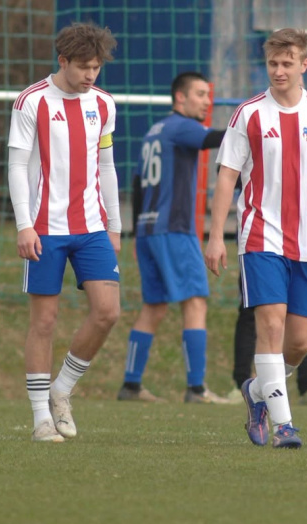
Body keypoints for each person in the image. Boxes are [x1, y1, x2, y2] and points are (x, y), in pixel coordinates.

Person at [205, 28, 307, 449]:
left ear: (304, 65)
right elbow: (226, 178)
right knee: (270, 325)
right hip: (260, 237)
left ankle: (256, 392)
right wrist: (216, 236)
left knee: (301, 341)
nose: (279, 70)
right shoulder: (248, 114)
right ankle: (285, 426)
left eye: (288, 63)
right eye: (273, 63)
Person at [7, 22, 122, 443]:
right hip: (45, 228)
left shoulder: (104, 104)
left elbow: (106, 166)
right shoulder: (31, 102)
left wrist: (114, 225)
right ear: (63, 61)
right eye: (84, 67)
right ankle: (40, 419)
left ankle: (61, 391)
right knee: (45, 321)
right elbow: (17, 166)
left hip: (92, 227)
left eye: (96, 67)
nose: (91, 75)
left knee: (108, 311)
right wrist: (23, 224)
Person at [118, 72, 230, 404]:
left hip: (148, 231)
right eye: (199, 94)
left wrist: (138, 234)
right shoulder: (182, 126)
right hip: (175, 229)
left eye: (207, 95)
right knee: (195, 301)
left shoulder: (154, 131)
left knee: (153, 306)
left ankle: (131, 385)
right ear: (179, 98)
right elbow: (213, 139)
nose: (206, 101)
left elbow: (138, 186)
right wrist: (249, 128)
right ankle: (197, 389)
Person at [228, 171, 307, 408]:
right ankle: (241, 381)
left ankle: (297, 386)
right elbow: (232, 171)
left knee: (300, 326)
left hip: (303, 242)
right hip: (262, 239)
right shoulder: (252, 133)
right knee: (257, 315)